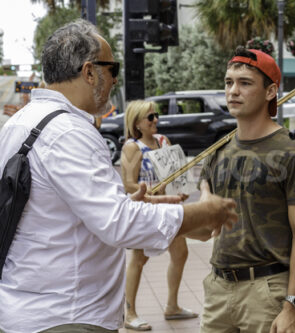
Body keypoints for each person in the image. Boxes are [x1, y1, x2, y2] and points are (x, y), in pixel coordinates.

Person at [0, 19, 237, 333]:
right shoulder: (69, 131)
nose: (114, 80)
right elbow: (117, 224)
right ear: (89, 72)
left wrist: (127, 201)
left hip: (26, 309)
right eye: (113, 69)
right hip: (66, 315)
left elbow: (57, 208)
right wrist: (201, 213)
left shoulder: (21, 123)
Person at [199, 47, 295, 333]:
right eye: (229, 82)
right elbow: (206, 231)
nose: (233, 91)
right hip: (218, 288)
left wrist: (293, 305)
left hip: (267, 291)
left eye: (245, 83)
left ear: (270, 92)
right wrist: (170, 211)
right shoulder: (218, 153)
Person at [120, 100, 197, 331]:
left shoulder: (164, 141)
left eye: (156, 116)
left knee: (180, 252)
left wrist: (180, 190)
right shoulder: (132, 147)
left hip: (168, 207)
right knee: (139, 258)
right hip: (147, 208)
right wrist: (149, 191)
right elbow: (127, 183)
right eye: (150, 117)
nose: (155, 120)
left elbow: (176, 173)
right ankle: (130, 312)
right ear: (137, 123)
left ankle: (172, 306)